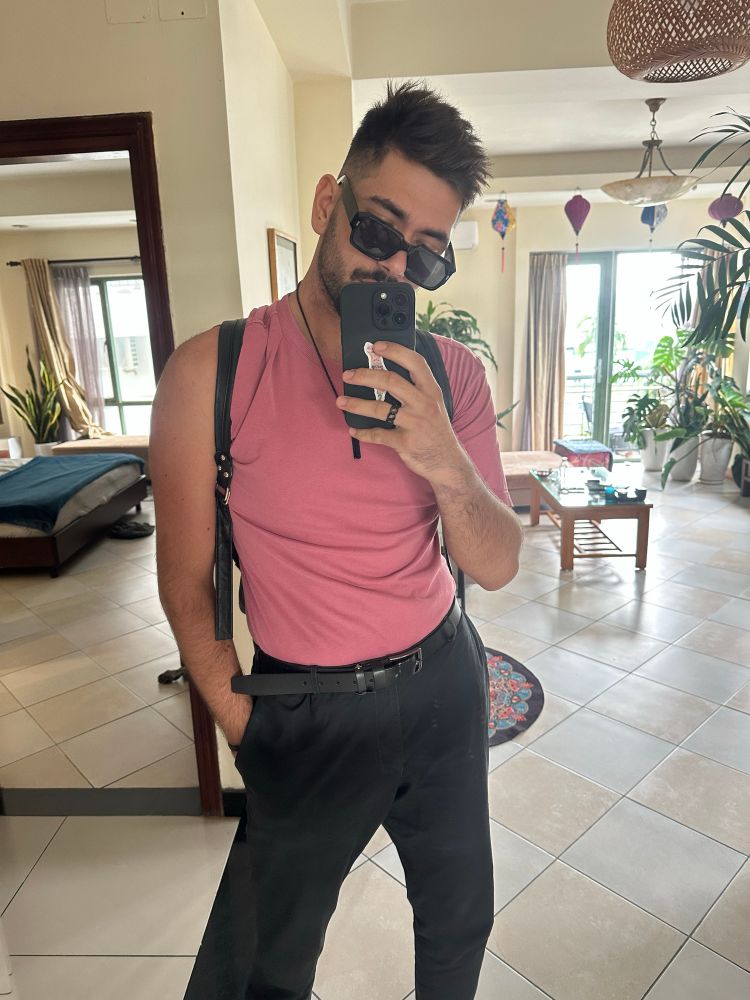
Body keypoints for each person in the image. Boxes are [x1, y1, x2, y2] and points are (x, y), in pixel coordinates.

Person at [151, 81, 523, 1000]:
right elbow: (184, 580)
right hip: (301, 709)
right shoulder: (213, 371)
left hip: (443, 683)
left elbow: (498, 562)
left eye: (426, 258)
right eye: (377, 231)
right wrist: (238, 716)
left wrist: (441, 456)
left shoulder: (454, 375)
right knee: (256, 968)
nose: (395, 269)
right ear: (328, 205)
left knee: (458, 922)